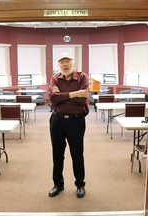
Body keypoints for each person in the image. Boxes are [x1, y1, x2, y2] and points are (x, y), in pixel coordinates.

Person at [48, 52, 89, 198]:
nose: (65, 64)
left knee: (77, 154)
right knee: (57, 154)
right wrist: (74, 94)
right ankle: (58, 184)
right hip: (57, 120)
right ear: (58, 65)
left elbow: (83, 99)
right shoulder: (54, 78)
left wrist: (62, 97)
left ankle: (80, 184)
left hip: (76, 120)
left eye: (67, 61)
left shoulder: (82, 77)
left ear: (73, 63)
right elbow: (52, 98)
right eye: (62, 62)